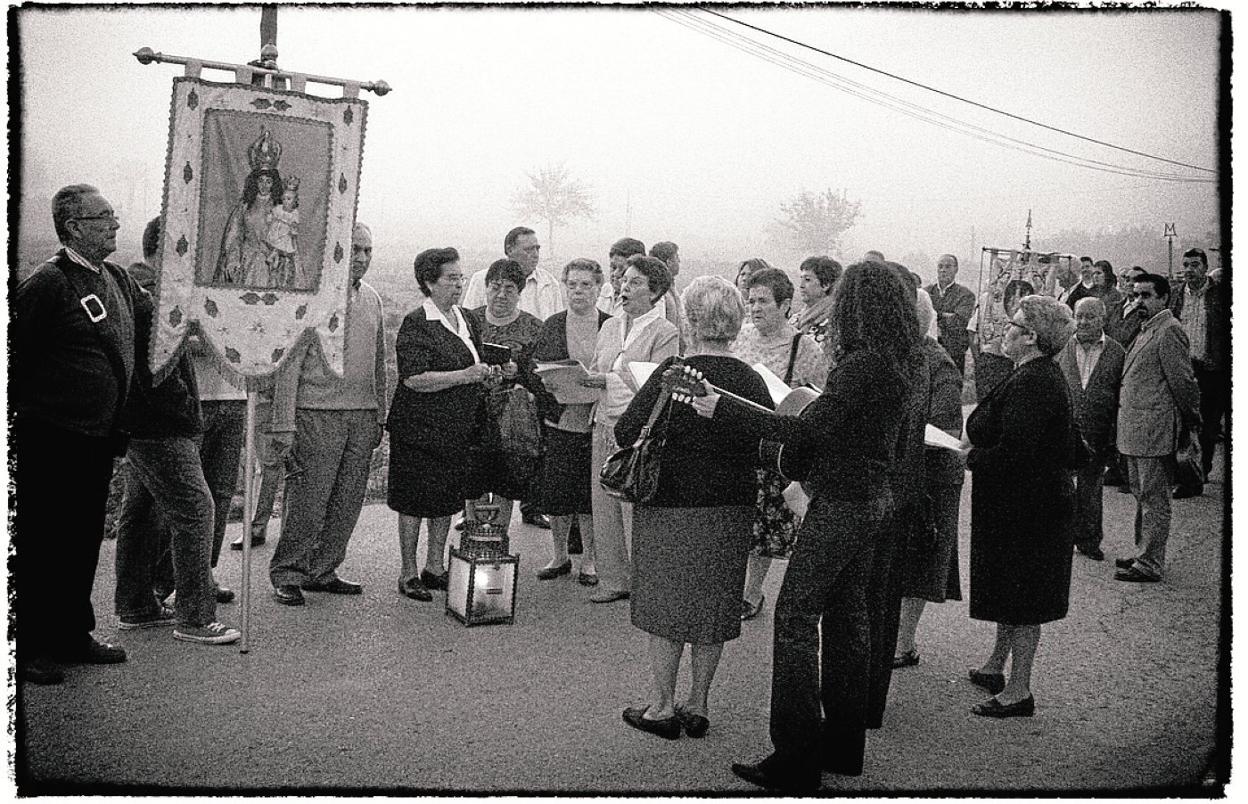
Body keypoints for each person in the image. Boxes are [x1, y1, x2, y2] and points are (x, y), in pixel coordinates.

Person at [681, 262, 922, 791]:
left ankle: (796, 755)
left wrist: (724, 409)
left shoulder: (861, 365)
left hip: (842, 502)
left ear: (857, 306)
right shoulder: (898, 362)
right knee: (847, 621)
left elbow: (807, 431)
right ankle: (842, 746)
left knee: (794, 619)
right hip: (870, 498)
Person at [617, 276, 773, 740]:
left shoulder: (674, 372)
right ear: (736, 322)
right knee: (713, 607)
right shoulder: (751, 378)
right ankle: (699, 702)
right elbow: (766, 440)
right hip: (730, 506)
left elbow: (627, 432)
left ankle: (662, 706)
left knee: (665, 605)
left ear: (689, 320)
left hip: (669, 502)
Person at [13, 185, 148, 683]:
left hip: (96, 436)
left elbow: (157, 316)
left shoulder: (115, 277)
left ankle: (71, 632)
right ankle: (29, 645)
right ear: (73, 227)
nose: (115, 224)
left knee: (81, 538)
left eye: (113, 214)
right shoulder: (48, 284)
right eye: (104, 216)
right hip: (51, 437)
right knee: (42, 542)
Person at [113, 216, 241, 646]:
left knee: (141, 511)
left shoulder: (137, 288)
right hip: (159, 420)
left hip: (146, 418)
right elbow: (160, 353)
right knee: (195, 509)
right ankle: (195, 616)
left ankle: (137, 605)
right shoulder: (147, 293)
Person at [965, 295, 1080, 719]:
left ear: (1030, 336)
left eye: (1013, 325)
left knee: (1024, 598)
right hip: (1020, 504)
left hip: (1029, 510)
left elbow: (1016, 452)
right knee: (1009, 590)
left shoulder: (1035, 380)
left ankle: (1019, 690)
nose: (1005, 330)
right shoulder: (1031, 373)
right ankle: (997, 664)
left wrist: (970, 458)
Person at [267, 223, 389, 606]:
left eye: (368, 250)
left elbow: (379, 362)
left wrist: (380, 415)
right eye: (355, 250)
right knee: (309, 498)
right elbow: (289, 364)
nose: (362, 258)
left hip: (362, 414)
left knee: (347, 500)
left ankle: (323, 569)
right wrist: (283, 422)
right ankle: (288, 572)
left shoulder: (372, 299)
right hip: (316, 413)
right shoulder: (311, 297)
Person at [386, 247, 495, 601]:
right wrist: (464, 375)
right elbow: (413, 379)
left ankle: (434, 566)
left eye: (460, 277)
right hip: (419, 429)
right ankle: (408, 572)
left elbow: (476, 363)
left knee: (446, 499)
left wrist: (488, 373)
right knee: (414, 500)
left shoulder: (467, 318)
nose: (459, 284)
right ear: (429, 282)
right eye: (451, 278)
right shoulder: (417, 322)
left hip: (457, 428)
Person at [731, 267, 827, 620]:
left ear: (785, 305)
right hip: (740, 439)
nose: (755, 308)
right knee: (737, 517)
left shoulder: (805, 347)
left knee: (765, 525)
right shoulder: (740, 337)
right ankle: (732, 585)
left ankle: (752, 591)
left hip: (775, 446)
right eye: (751, 300)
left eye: (763, 301)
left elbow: (819, 399)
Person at [584, 255, 680, 603]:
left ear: (655, 292)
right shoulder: (609, 326)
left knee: (636, 504)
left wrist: (607, 380)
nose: (624, 287)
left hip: (639, 430)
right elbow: (596, 366)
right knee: (603, 502)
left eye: (635, 282)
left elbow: (656, 384)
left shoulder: (665, 332)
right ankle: (613, 579)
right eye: (624, 280)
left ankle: (645, 581)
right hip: (604, 422)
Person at [1114, 273, 1201, 583]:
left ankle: (1150, 563)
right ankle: (1144, 552)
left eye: (1146, 295)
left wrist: (1192, 421)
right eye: (1135, 295)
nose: (1139, 301)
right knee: (1142, 495)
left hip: (1154, 429)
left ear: (1164, 298)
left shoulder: (1169, 330)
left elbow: (1183, 382)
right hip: (1137, 429)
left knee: (1154, 498)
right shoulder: (1146, 328)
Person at [893, 299, 965, 669]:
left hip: (932, 477)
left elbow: (946, 429)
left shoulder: (939, 364)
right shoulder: (902, 355)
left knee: (921, 559)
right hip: (906, 471)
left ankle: (904, 643)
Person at [531, 259, 611, 584]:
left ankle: (590, 559)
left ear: (598, 287)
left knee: (589, 495)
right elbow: (536, 367)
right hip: (560, 419)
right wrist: (547, 382)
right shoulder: (552, 324)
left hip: (595, 420)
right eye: (572, 284)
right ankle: (559, 555)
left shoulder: (610, 325)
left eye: (586, 284)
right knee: (558, 492)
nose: (578, 291)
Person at [468, 258, 547, 528]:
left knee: (505, 480)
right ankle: (473, 535)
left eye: (509, 288)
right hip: (473, 414)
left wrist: (519, 372)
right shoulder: (469, 321)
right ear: (486, 288)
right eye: (495, 287)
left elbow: (541, 376)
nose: (501, 294)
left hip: (512, 419)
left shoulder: (534, 327)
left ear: (520, 292)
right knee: (473, 480)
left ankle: (498, 538)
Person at [1058, 298, 1125, 562]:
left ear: (1103, 319)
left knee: (1091, 486)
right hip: (1064, 427)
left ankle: (1088, 539)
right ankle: (1059, 538)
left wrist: (1114, 434)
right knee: (1060, 485)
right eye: (1080, 316)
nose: (1083, 322)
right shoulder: (1061, 346)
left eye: (1091, 317)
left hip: (1098, 428)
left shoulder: (1117, 352)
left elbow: (1121, 394)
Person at [1168, 247, 1229, 491]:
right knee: (1181, 422)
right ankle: (1185, 471)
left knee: (1208, 424)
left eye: (1195, 265)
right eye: (1186, 265)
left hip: (1211, 369)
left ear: (1205, 267)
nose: (1189, 270)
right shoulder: (1176, 295)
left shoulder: (1220, 295)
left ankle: (1200, 471)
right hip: (1182, 367)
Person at [213, 129, 284, 286]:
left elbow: (286, 239)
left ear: (274, 184)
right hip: (246, 264)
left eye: (268, 181)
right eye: (261, 181)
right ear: (255, 182)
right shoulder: (244, 207)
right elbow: (234, 236)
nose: (264, 185)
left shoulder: (280, 209)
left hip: (271, 264)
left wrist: (276, 253)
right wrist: (233, 259)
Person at [460, 226, 566, 322]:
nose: (535, 254)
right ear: (510, 250)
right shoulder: (481, 279)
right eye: (528, 250)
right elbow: (468, 320)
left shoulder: (549, 282)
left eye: (537, 249)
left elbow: (557, 324)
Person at [969, 278, 1033, 401]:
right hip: (991, 361)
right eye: (1012, 298)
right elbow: (971, 330)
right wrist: (979, 359)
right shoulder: (987, 301)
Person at [926, 254, 977, 374]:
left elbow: (959, 322)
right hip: (929, 351)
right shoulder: (926, 292)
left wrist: (934, 315)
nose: (943, 270)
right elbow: (922, 317)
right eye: (940, 266)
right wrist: (946, 315)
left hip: (953, 353)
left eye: (948, 267)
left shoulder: (965, 295)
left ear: (956, 269)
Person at [791, 256, 841, 348]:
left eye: (807, 280)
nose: (801, 285)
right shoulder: (795, 318)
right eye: (801, 279)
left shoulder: (834, 323)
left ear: (825, 285)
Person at [264, 176, 302, 288]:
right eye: (284, 198)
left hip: (285, 233)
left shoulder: (294, 212)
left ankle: (274, 258)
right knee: (275, 243)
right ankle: (274, 257)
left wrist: (293, 229)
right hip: (276, 230)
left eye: (289, 199)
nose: (286, 201)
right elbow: (271, 215)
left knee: (283, 244)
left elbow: (295, 224)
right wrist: (270, 216)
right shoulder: (279, 208)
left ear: (295, 201)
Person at [598, 237, 647, 314]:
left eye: (623, 270)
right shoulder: (604, 290)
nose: (615, 274)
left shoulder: (647, 299)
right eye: (613, 267)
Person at [648, 240, 684, 339]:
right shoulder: (659, 292)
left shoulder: (669, 288)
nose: (679, 261)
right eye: (677, 257)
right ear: (669, 262)